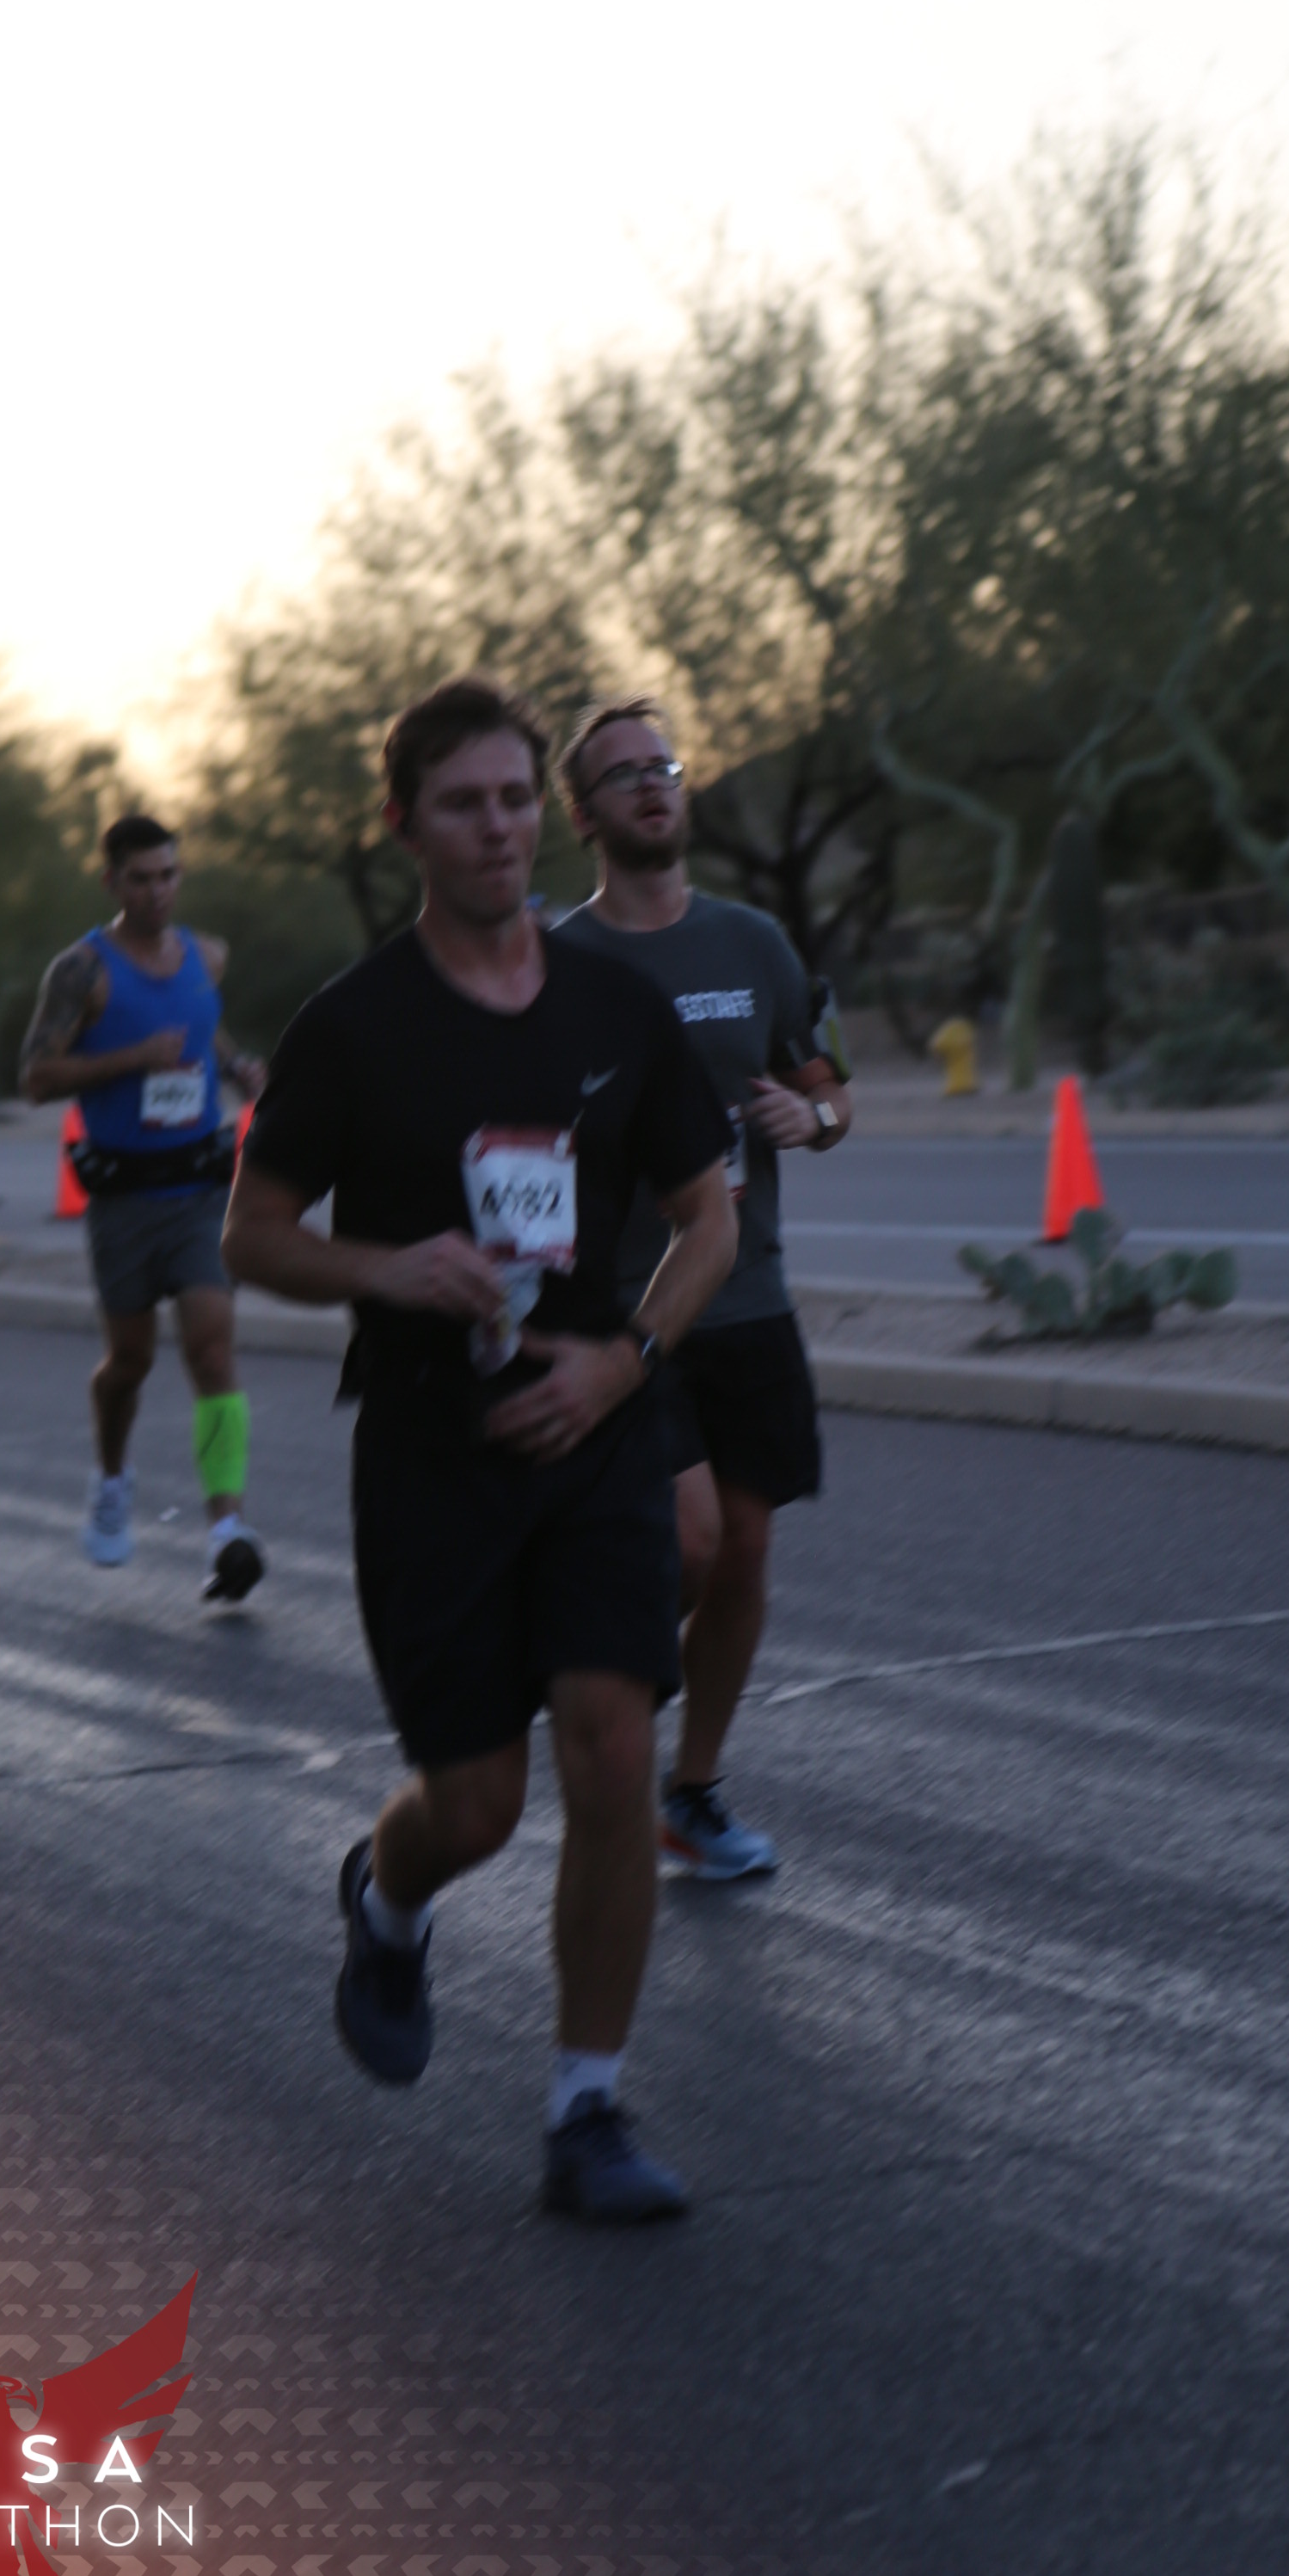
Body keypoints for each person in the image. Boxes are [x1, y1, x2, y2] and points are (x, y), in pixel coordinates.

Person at [223, 677, 736, 2222]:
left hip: (596, 1428)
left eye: (517, 798)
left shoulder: (615, 1009)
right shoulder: (354, 1026)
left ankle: (589, 2110)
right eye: (464, 804)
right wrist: (386, 1269)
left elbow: (708, 1220)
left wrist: (627, 1360)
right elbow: (254, 1233)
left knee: (613, 1748)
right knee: (476, 1809)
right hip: (432, 1451)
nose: (500, 828)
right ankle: (387, 1901)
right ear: (406, 827)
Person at [553, 698, 852, 1881]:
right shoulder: (562, 963)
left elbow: (829, 1089)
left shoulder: (753, 943)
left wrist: (811, 1119)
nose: (651, 785)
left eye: (664, 767)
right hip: (628, 1301)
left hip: (749, 1291)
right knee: (690, 1539)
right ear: (583, 814)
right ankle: (595, 1693)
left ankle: (692, 1792)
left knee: (744, 1553)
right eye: (623, 775)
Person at [19, 815, 267, 1601]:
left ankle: (227, 1529)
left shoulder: (207, 956)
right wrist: (134, 1059)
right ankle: (112, 1479)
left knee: (213, 1350)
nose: (158, 892)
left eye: (169, 875)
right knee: (130, 1362)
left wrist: (237, 1064)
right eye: (140, 879)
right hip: (123, 1200)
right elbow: (36, 1077)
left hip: (200, 1189)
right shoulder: (81, 971)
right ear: (112, 883)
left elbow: (200, 1025)